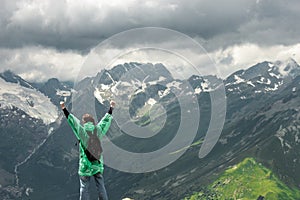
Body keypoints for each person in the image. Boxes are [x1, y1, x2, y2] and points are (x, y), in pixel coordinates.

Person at [60, 100, 115, 200]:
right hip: (97, 163)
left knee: (84, 186)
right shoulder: (98, 130)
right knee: (100, 185)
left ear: (84, 122)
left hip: (85, 165)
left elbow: (72, 122)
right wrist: (111, 108)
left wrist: (64, 109)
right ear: (92, 121)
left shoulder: (81, 131)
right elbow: (105, 121)